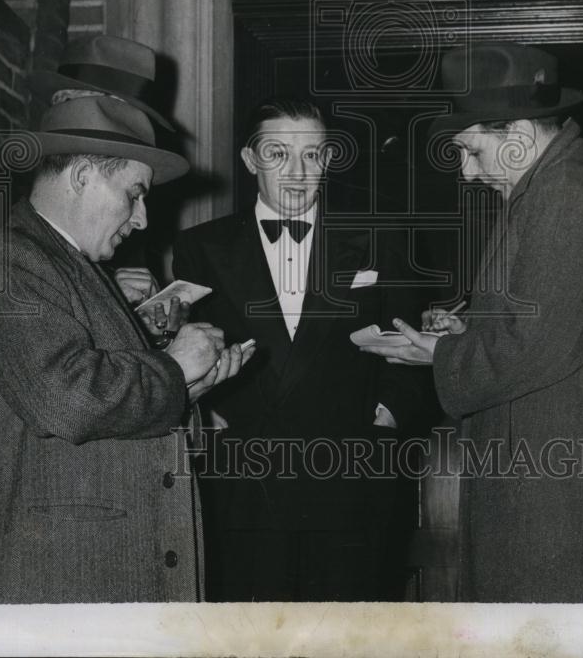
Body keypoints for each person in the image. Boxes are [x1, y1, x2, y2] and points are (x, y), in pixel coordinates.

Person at [0, 94, 254, 604]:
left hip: (92, 573)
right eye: (134, 194)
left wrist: (191, 390)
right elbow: (68, 399)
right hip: (47, 581)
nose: (143, 218)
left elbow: (102, 406)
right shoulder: (6, 260)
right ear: (83, 176)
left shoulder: (76, 268)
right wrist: (174, 369)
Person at [361, 42, 583, 603]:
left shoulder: (569, 195)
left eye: (472, 151)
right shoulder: (547, 185)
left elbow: (538, 343)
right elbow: (537, 314)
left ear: (517, 133)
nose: (465, 173)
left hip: (557, 493)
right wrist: (465, 327)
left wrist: (437, 355)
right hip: (541, 469)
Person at [173, 98, 432, 602]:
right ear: (250, 161)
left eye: (312, 155)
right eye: (278, 154)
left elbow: (411, 351)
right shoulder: (200, 247)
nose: (297, 172)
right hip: (245, 482)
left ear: (328, 160)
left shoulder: (381, 239)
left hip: (353, 478)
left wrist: (386, 418)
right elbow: (187, 355)